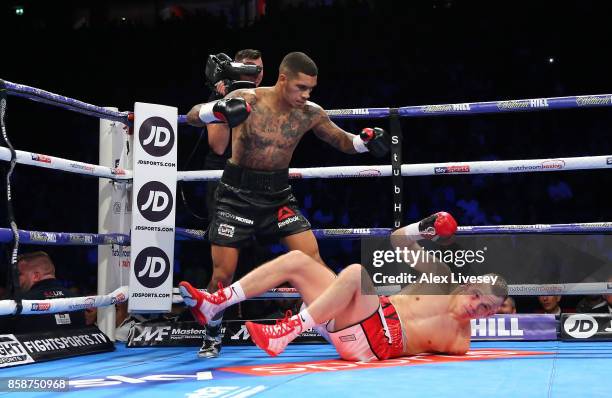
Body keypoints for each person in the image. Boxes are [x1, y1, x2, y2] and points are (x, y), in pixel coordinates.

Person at [184, 51, 390, 358]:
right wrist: (217, 108)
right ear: (283, 79)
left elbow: (341, 140)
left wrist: (364, 141)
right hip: (235, 193)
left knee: (312, 259)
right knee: (222, 274)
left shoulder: (310, 113)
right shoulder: (247, 98)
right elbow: (191, 115)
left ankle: (334, 326)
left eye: (310, 89)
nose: (306, 95)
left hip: (278, 195)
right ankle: (212, 336)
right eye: (301, 88)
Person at [179, 212, 507, 360]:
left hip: (379, 343)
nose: (475, 306)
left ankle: (289, 331)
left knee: (354, 273)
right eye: (477, 295)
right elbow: (397, 240)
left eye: (485, 309)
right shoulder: (440, 276)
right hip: (361, 320)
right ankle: (216, 303)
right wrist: (425, 227)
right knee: (297, 261)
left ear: (490, 315)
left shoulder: (459, 343)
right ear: (468, 285)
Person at [204, 49, 264, 217]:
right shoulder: (218, 97)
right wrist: (224, 101)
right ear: (236, 68)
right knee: (223, 238)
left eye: (260, 68)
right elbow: (218, 147)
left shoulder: (266, 98)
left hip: (254, 177)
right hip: (223, 176)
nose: (257, 72)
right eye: (251, 67)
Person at [12, 251, 86, 334]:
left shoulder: (21, 304)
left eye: (19, 274)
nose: (17, 280)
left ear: (36, 276)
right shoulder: (77, 300)